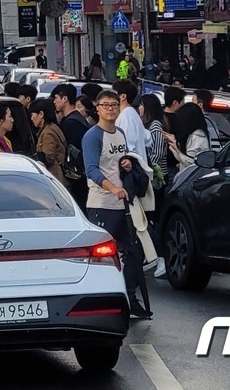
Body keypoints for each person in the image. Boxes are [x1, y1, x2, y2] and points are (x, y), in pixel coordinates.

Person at [81, 92, 150, 319]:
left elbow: (118, 162)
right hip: (102, 204)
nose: (110, 109)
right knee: (101, 256)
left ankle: (129, 296)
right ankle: (100, 299)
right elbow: (91, 169)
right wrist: (113, 188)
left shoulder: (119, 133)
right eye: (105, 105)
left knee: (133, 252)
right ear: (97, 108)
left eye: (113, 105)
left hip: (124, 205)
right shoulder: (92, 136)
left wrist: (127, 164)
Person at [163, 94, 210, 172]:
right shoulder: (194, 135)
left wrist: (176, 148)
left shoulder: (197, 136)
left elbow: (191, 163)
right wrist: (174, 144)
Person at [28, 99, 66, 182]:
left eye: (32, 115)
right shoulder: (51, 128)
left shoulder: (48, 132)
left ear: (41, 114)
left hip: (53, 176)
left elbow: (48, 158)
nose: (31, 118)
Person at [112, 80, 149, 165]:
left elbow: (127, 148)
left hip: (130, 170)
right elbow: (147, 138)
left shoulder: (126, 117)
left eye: (113, 93)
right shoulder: (130, 114)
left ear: (123, 96)